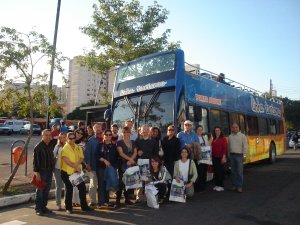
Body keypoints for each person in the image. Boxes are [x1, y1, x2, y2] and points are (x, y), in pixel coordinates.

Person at [60, 132, 93, 214]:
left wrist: (77, 166)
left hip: (76, 172)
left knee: (82, 188)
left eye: (73, 138)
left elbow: (81, 158)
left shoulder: (78, 147)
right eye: (70, 138)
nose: (71, 140)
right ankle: (68, 208)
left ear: (75, 138)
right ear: (67, 139)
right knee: (69, 189)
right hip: (67, 172)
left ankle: (84, 207)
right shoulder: (65, 148)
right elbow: (65, 160)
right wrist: (76, 167)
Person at [33, 129, 56, 216]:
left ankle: (44, 207)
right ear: (42, 136)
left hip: (49, 171)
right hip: (41, 171)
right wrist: (37, 173)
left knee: (46, 190)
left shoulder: (50, 145)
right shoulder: (38, 147)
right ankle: (38, 208)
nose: (48, 137)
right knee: (40, 191)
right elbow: (35, 162)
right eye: (46, 135)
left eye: (49, 135)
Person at [96, 129, 119, 208]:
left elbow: (116, 157)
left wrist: (114, 167)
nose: (108, 136)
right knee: (101, 184)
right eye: (106, 134)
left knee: (107, 184)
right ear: (103, 135)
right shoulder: (99, 145)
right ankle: (100, 202)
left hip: (111, 168)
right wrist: (104, 160)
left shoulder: (113, 146)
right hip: (101, 168)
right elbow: (97, 156)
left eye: (110, 135)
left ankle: (106, 201)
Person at [116, 126, 138, 206]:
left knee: (128, 182)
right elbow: (121, 153)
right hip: (122, 164)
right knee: (121, 182)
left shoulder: (133, 142)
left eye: (127, 132)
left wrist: (131, 160)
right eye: (124, 132)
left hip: (130, 164)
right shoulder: (119, 142)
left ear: (130, 133)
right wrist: (130, 159)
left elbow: (135, 152)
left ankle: (127, 199)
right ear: (122, 133)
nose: (126, 134)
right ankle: (117, 200)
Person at [84, 123, 103, 207]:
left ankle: (102, 200)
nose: (98, 129)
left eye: (99, 127)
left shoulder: (105, 138)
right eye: (96, 128)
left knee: (102, 184)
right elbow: (87, 153)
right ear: (93, 130)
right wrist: (87, 164)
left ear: (102, 128)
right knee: (93, 184)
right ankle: (92, 200)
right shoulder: (91, 140)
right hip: (93, 167)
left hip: (103, 167)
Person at [228, 123, 248, 193]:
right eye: (233, 127)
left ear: (238, 128)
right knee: (233, 172)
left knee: (239, 172)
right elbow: (229, 147)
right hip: (232, 156)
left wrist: (244, 156)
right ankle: (234, 185)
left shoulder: (243, 136)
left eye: (236, 127)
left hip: (239, 156)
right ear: (232, 129)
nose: (235, 129)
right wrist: (228, 156)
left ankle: (239, 186)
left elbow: (245, 146)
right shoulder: (230, 136)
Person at [53, 132, 67, 211]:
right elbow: (53, 156)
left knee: (67, 186)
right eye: (61, 137)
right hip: (58, 169)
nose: (63, 139)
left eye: (64, 137)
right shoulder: (57, 146)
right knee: (58, 187)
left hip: (67, 169)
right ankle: (58, 204)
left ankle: (66, 202)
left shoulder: (69, 146)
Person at [211, 126, 227, 192]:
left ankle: (221, 186)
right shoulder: (214, 139)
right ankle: (217, 185)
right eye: (215, 130)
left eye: (218, 130)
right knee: (216, 171)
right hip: (214, 157)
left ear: (220, 131)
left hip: (220, 157)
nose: (217, 131)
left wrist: (223, 157)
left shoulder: (223, 139)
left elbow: (224, 149)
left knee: (220, 172)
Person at [194, 125, 210, 192]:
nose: (200, 131)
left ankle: (203, 186)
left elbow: (208, 146)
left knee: (204, 172)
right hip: (198, 157)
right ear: (196, 130)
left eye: (201, 130)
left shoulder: (205, 137)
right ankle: (199, 187)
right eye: (198, 130)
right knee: (199, 172)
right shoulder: (194, 137)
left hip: (205, 156)